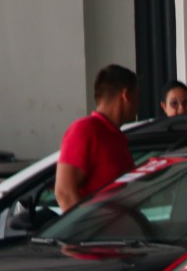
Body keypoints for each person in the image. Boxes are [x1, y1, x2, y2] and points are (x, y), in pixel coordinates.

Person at [56, 64, 137, 211]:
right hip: (99, 232)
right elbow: (64, 193)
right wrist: (90, 230)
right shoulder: (85, 130)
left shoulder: (116, 136)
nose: (139, 104)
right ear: (126, 95)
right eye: (137, 96)